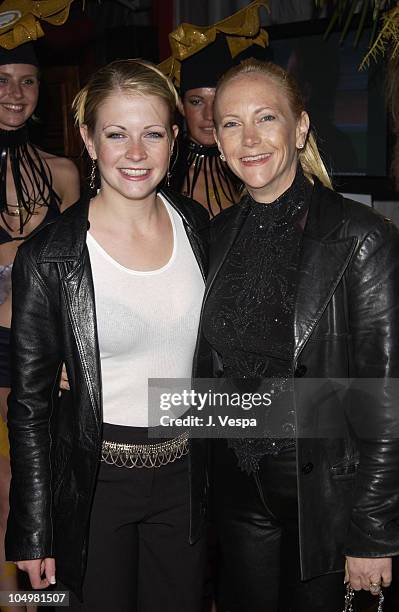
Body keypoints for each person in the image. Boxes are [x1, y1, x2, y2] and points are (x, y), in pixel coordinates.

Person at [5, 59, 209, 611]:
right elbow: (29, 404)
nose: (135, 153)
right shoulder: (48, 256)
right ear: (90, 142)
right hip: (94, 484)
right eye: (116, 134)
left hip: (188, 478)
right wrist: (34, 528)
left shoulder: (201, 228)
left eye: (151, 134)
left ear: (173, 139)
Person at [197, 58, 399, 611]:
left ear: (301, 127)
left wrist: (374, 530)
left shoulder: (363, 237)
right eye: (231, 123)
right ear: (218, 141)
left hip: (325, 489)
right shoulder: (211, 237)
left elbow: (383, 397)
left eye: (267, 118)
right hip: (236, 491)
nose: (250, 138)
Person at [0, 41, 79, 608]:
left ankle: (36, 599)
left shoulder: (64, 172)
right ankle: (11, 599)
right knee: (6, 476)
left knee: (39, 472)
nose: (15, 93)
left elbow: (77, 272)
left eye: (27, 82)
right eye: (3, 79)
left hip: (40, 345)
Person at [160, 1, 269, 217]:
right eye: (196, 101)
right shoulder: (161, 174)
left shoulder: (252, 165)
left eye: (217, 100)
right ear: (180, 105)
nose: (209, 115)